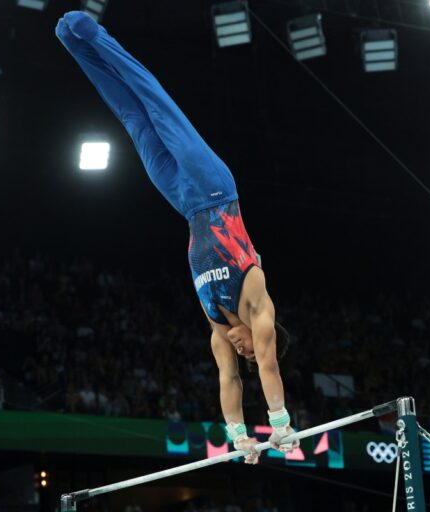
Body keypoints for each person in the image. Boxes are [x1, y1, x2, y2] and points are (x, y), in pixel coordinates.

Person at [56, 11, 297, 464]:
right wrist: (281, 423)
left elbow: (230, 381)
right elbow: (266, 365)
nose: (242, 348)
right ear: (266, 335)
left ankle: (75, 47)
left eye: (240, 349)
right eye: (249, 346)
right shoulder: (257, 303)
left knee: (133, 122)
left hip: (183, 203)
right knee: (154, 102)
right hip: (214, 189)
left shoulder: (217, 330)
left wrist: (239, 436)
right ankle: (92, 32)